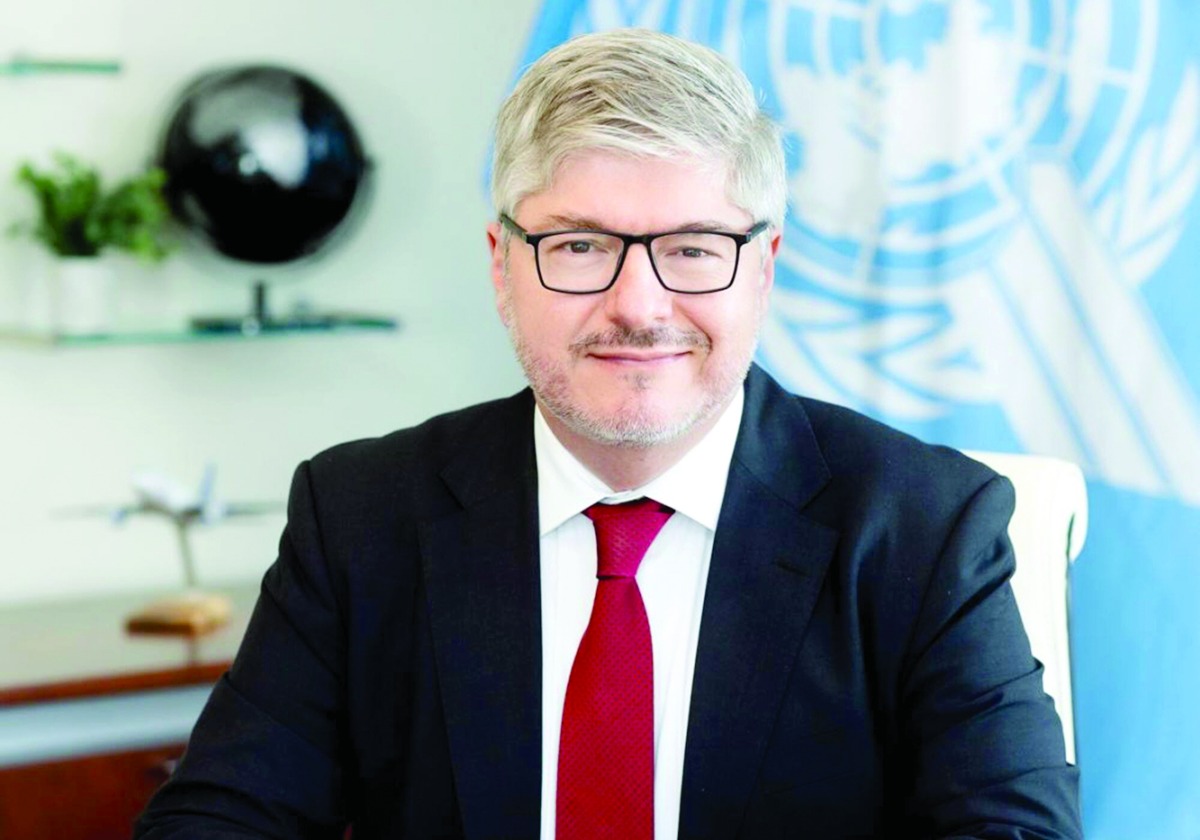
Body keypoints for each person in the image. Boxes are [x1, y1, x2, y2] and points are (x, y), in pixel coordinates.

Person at [136, 28, 1081, 840]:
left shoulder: (925, 524)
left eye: (694, 249)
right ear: (502, 266)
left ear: (764, 268)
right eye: (580, 245)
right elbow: (218, 820)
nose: (638, 305)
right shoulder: (360, 515)